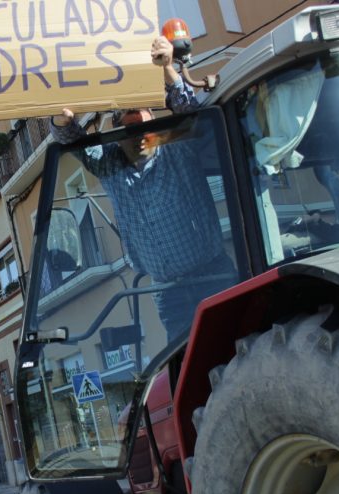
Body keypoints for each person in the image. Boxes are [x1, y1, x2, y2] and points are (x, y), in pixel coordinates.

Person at [47, 36, 237, 339]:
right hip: (167, 292)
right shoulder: (110, 164)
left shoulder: (177, 149)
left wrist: (167, 69)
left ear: (155, 122)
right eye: (131, 127)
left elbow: (191, 112)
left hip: (213, 277)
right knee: (185, 367)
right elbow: (71, 139)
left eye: (146, 125)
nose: (140, 136)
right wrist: (63, 118)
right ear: (118, 131)